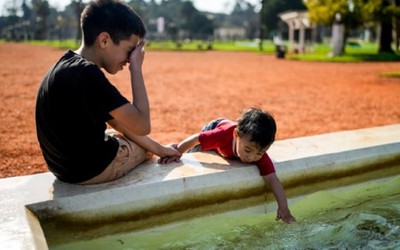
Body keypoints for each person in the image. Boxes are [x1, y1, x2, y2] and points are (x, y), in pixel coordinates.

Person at [35, 0, 181, 185]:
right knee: (143, 147)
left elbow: (117, 120)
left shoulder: (65, 65)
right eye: (129, 50)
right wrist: (136, 68)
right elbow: (142, 125)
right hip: (91, 170)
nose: (129, 59)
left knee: (123, 134)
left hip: (63, 170)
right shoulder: (88, 74)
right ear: (104, 40)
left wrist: (160, 148)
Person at [160, 108, 296, 223]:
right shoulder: (222, 136)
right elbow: (197, 138)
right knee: (196, 152)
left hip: (235, 135)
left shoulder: (257, 151)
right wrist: (177, 151)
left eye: (260, 153)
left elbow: (272, 179)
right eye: (247, 150)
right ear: (236, 135)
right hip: (215, 126)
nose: (252, 158)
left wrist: (284, 208)